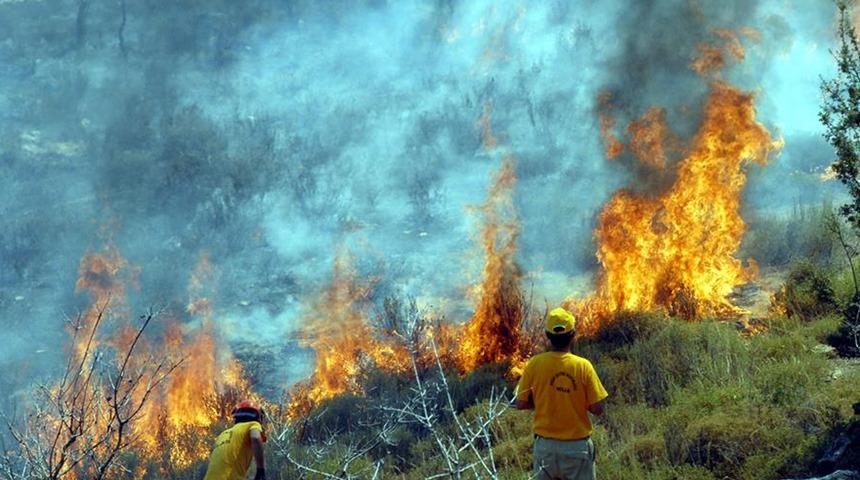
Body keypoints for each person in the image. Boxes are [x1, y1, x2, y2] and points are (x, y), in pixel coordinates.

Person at [516, 307, 608, 480]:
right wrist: (575, 399)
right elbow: (598, 408)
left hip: (545, 449)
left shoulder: (534, 364)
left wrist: (544, 399)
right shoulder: (583, 366)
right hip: (576, 449)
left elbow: (520, 403)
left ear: (547, 335)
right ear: (573, 335)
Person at [203, 400, 267, 480]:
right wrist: (261, 469)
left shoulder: (223, 434)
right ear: (258, 416)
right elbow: (256, 438)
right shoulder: (253, 425)